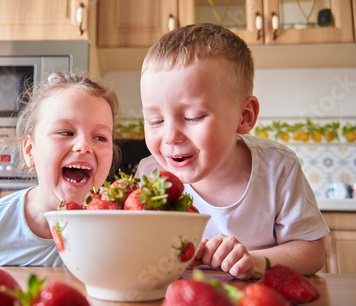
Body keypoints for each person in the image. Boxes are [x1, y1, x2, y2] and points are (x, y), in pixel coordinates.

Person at [136, 23, 329, 280]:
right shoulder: (150, 174)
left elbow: (313, 252)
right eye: (155, 121)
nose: (170, 136)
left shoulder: (278, 167)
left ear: (244, 117)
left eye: (193, 117)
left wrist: (254, 261)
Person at [0, 72, 120, 266]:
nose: (84, 146)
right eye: (66, 132)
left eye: (100, 137)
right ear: (30, 151)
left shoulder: (120, 223)